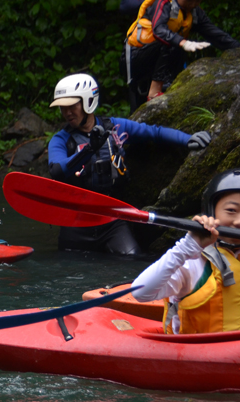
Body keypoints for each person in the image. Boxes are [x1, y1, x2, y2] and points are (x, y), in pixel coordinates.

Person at [47, 72, 211, 255]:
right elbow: (57, 171)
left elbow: (154, 132)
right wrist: (89, 149)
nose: (67, 112)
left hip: (112, 221)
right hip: (75, 223)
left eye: (72, 105)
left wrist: (187, 139)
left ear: (87, 101)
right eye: (62, 107)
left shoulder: (116, 128)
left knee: (132, 258)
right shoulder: (60, 140)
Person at [133, 168, 240, 334]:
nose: (239, 221)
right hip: (199, 353)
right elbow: (140, 292)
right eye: (231, 211)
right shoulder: (193, 263)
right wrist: (187, 247)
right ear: (211, 212)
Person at [122, 0, 239, 112]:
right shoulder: (163, 3)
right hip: (138, 57)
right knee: (171, 42)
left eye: (198, 1)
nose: (194, 4)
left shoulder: (194, 12)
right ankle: (154, 92)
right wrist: (183, 42)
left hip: (162, 62)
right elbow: (159, 30)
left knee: (176, 46)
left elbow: (216, 35)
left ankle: (169, 84)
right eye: (190, 0)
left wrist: (237, 48)